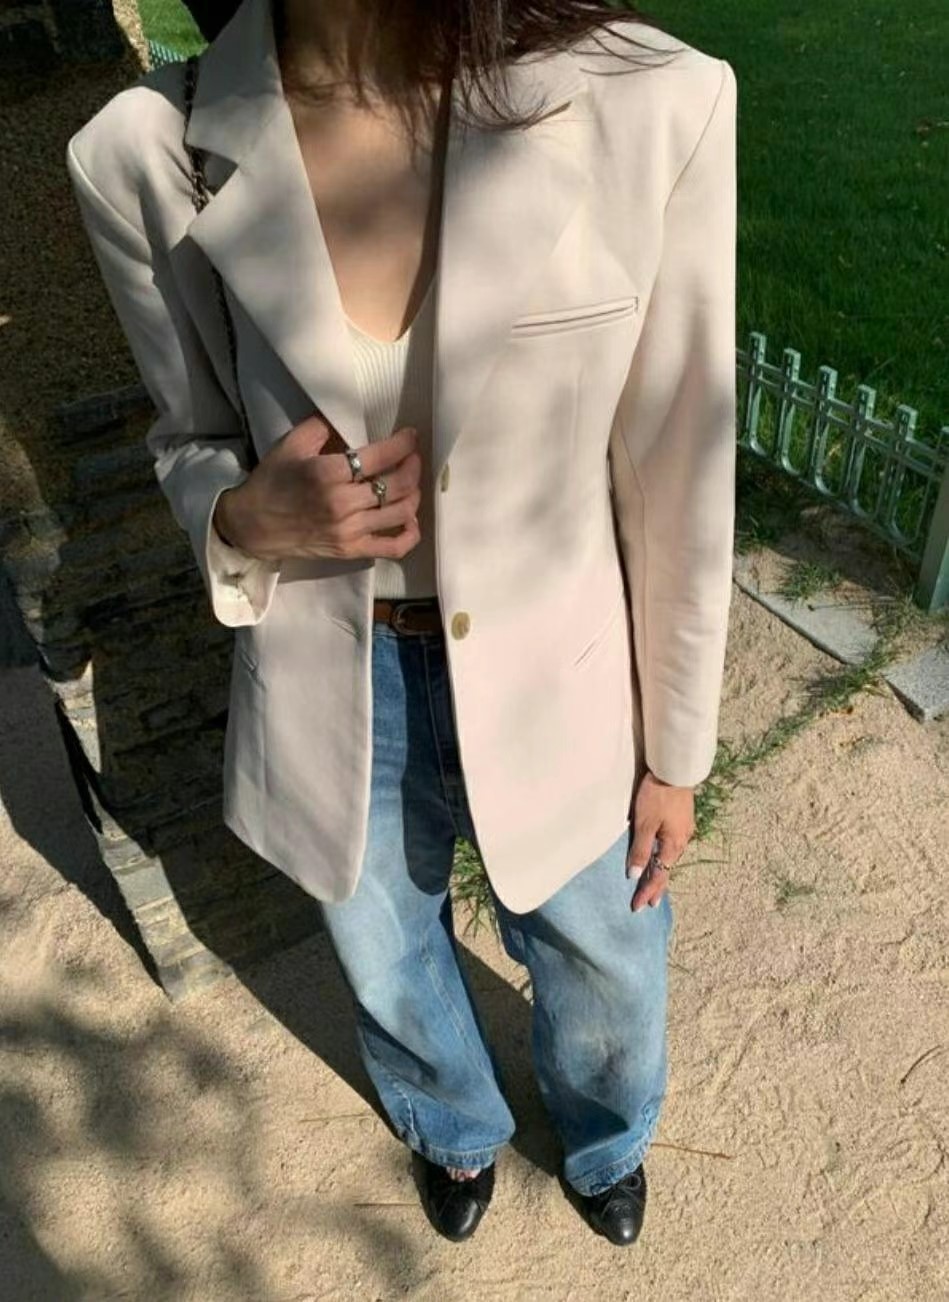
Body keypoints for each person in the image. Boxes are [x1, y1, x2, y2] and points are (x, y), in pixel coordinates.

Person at [66, 0, 737, 1246]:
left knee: (604, 952)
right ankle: (453, 1128)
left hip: (562, 669)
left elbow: (677, 459)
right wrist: (242, 517)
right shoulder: (144, 152)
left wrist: (675, 751)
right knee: (385, 953)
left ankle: (605, 1140)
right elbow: (191, 437)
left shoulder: (648, 102)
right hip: (335, 669)